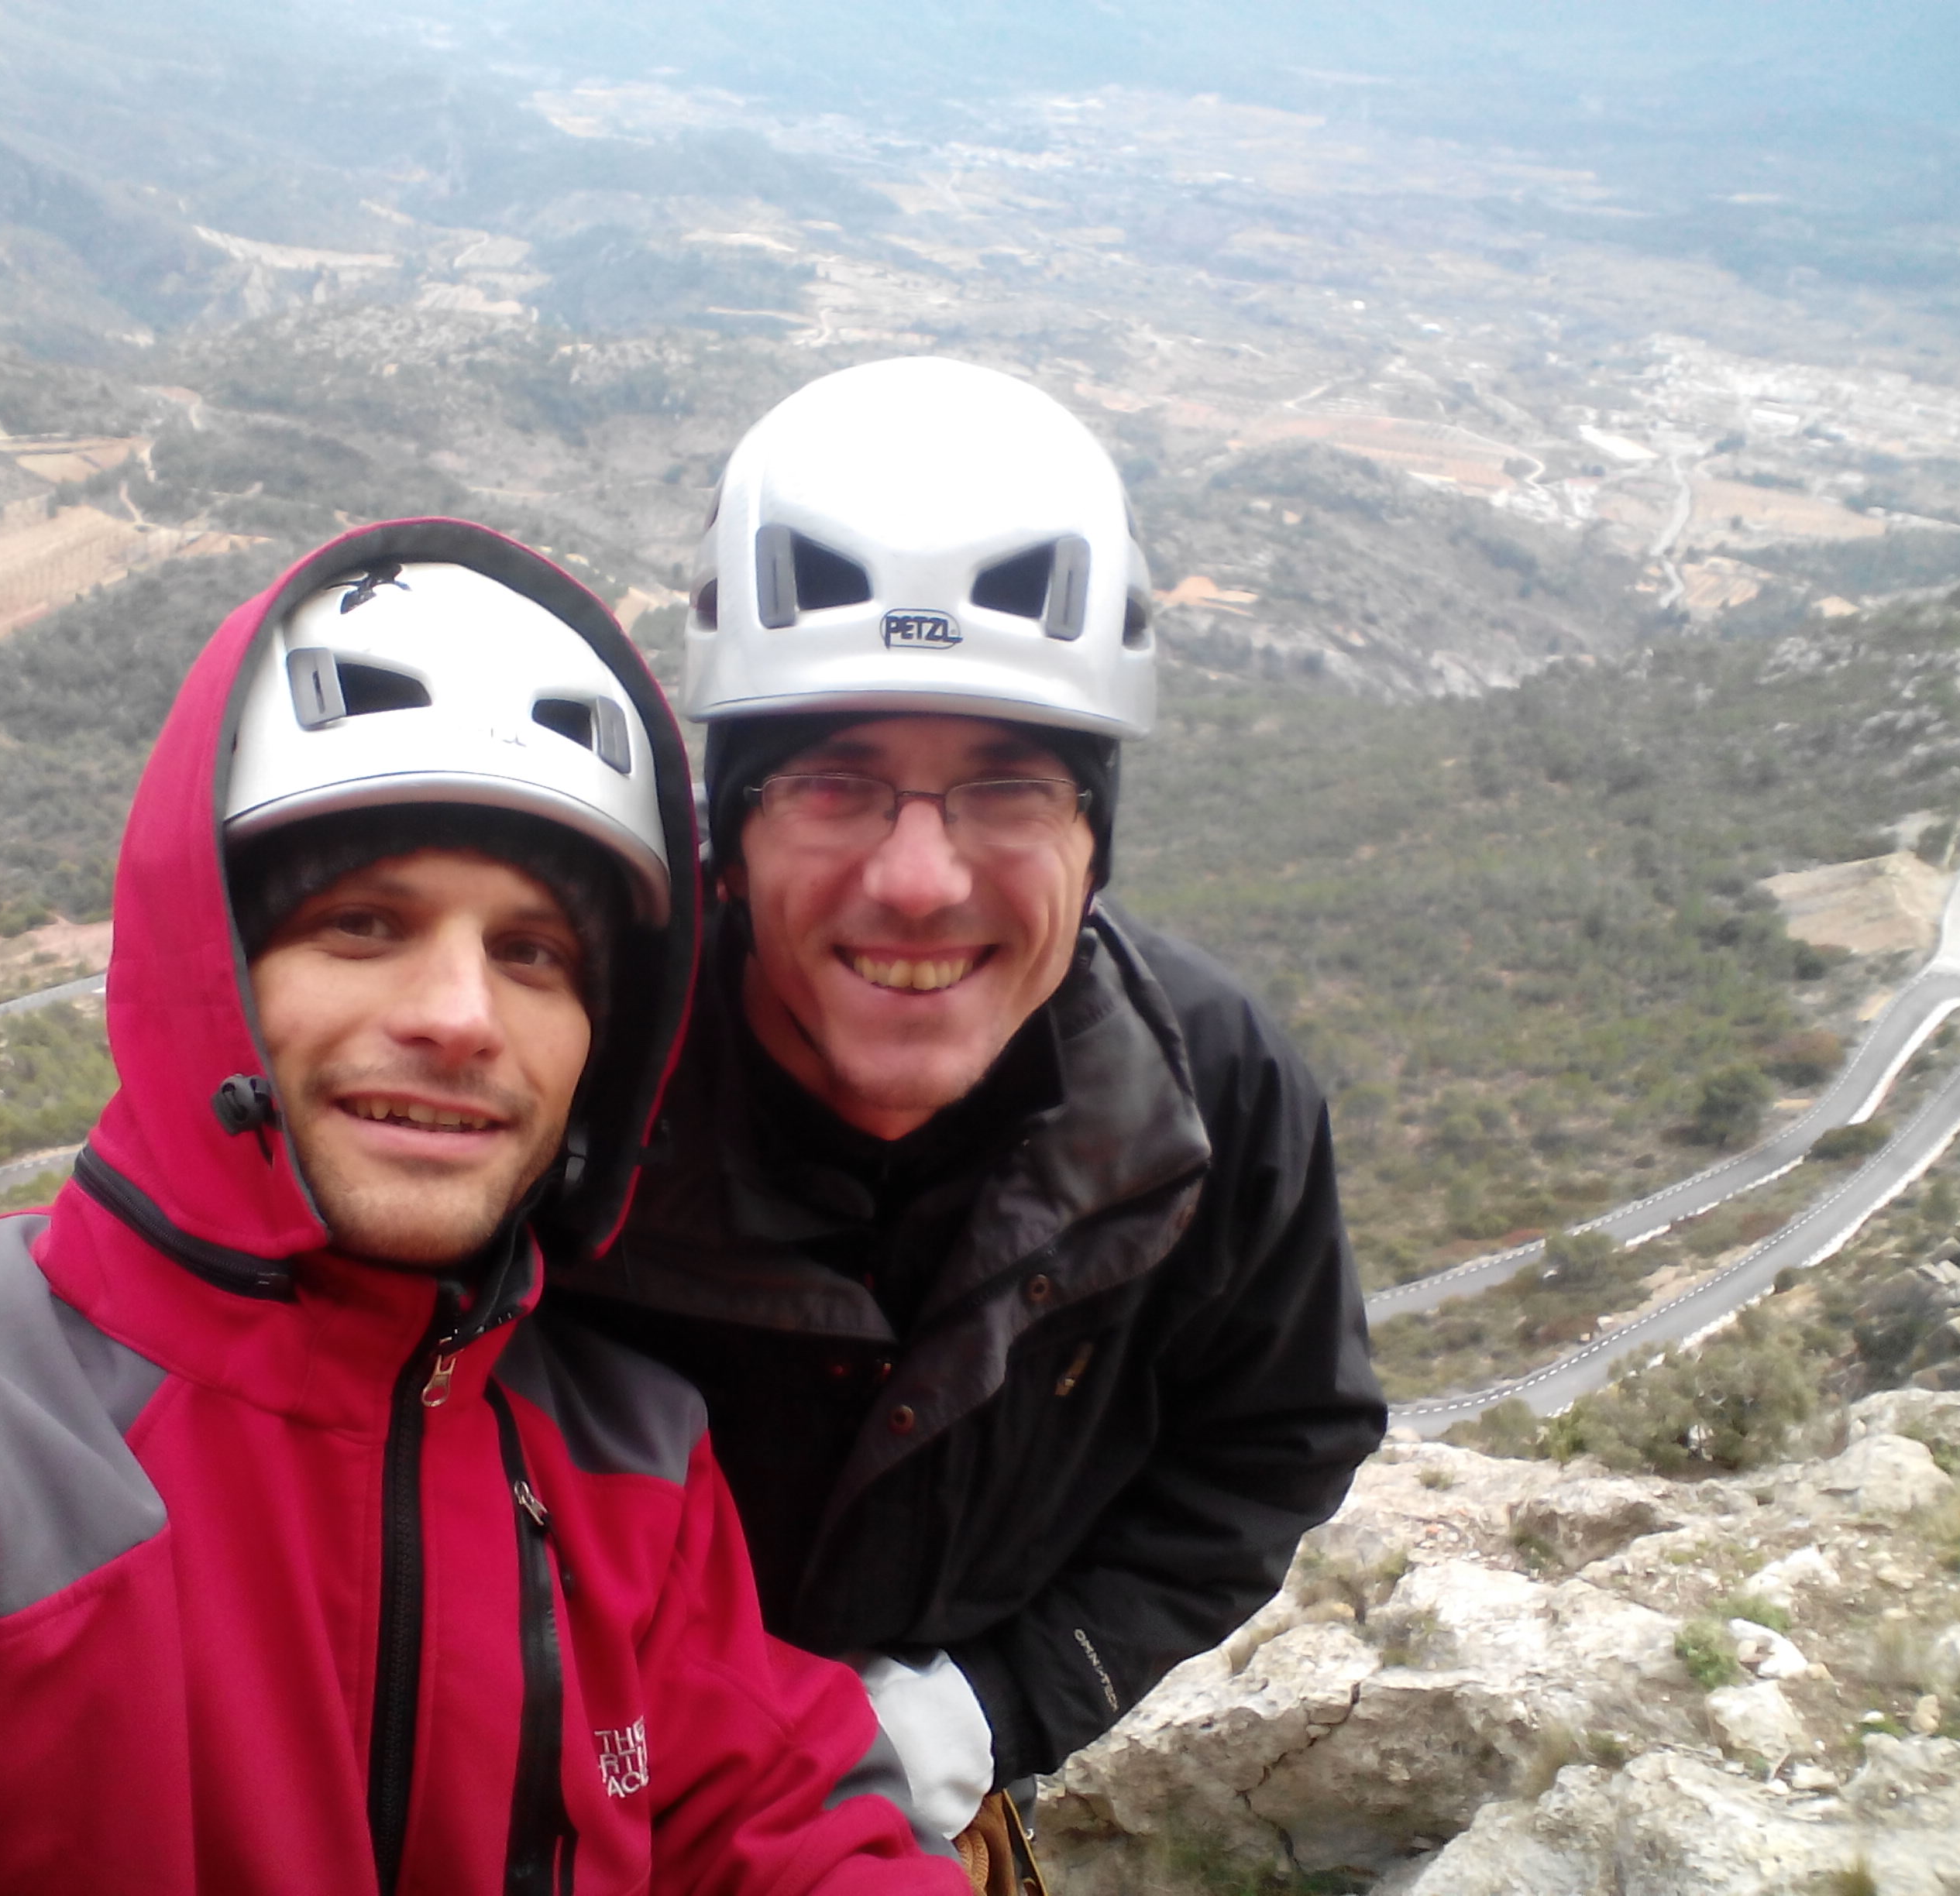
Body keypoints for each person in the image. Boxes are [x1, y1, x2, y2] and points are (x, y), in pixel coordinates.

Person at [0, 519, 966, 1895]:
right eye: (362, 924)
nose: (461, 1015)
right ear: (213, 968)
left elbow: (778, 1818)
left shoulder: (629, 1465)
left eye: (533, 953)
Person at [552, 359, 1388, 1871]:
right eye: (833, 782)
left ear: (1093, 839)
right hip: (544, 1797)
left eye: (1009, 788)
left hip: (909, 1818)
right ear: (728, 834)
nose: (920, 880)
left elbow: (1272, 1439)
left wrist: (992, 1705)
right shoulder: (576, 1072)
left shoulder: (1208, 1098)